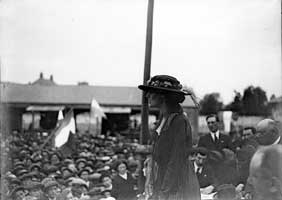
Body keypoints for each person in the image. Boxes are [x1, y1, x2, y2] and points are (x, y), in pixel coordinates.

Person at [138, 75, 200, 200]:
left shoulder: (179, 121)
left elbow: (176, 159)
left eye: (151, 93)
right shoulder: (164, 119)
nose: (147, 96)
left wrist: (164, 191)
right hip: (163, 178)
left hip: (177, 183)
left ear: (163, 96)